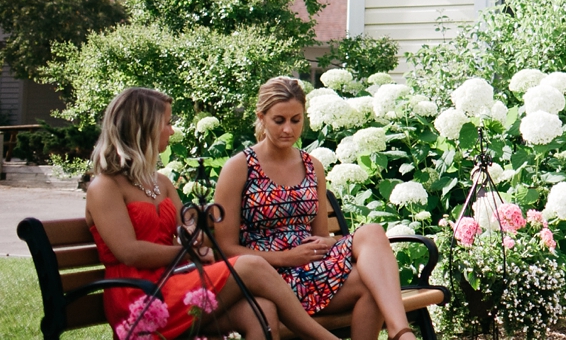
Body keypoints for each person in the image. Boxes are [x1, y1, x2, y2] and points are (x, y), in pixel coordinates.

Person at [84, 87, 342, 340]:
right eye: (166, 123)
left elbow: (189, 236)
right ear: (144, 129)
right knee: (250, 266)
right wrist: (189, 251)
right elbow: (129, 252)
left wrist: (197, 238)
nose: (171, 130)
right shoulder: (105, 186)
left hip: (176, 282)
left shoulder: (160, 183)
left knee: (260, 312)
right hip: (139, 295)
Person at [214, 78, 415, 340]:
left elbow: (320, 236)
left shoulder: (312, 166)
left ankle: (401, 333)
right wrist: (288, 258)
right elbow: (226, 249)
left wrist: (325, 247)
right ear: (261, 117)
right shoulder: (240, 167)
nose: (288, 129)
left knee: (372, 235)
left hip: (312, 270)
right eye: (279, 120)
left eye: (296, 120)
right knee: (372, 283)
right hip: (270, 278)